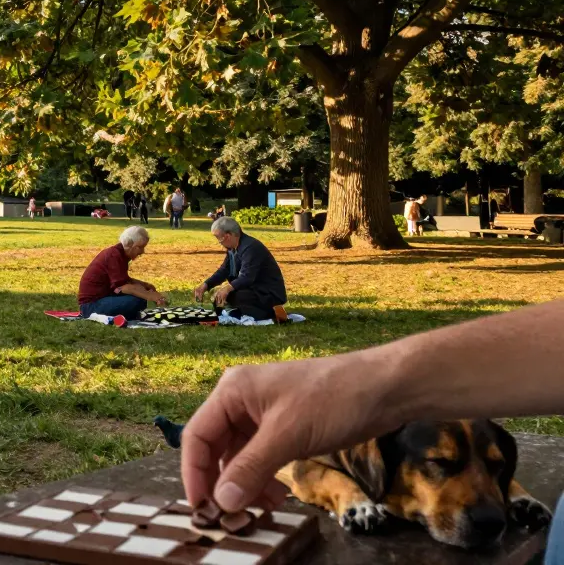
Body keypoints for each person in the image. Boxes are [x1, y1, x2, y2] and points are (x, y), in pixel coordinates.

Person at [179, 299, 564, 528]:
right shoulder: (365, 444)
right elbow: (303, 469)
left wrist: (510, 488)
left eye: (496, 469)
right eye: (441, 464)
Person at [193, 217, 287, 321]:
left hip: (267, 293)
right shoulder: (233, 248)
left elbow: (247, 277)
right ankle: (234, 312)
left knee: (234, 296)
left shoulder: (250, 247)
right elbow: (224, 270)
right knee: (217, 294)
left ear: (228, 236)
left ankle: (272, 312)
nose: (219, 243)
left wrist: (227, 289)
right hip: (252, 289)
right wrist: (206, 285)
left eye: (218, 238)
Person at [77, 226, 169, 320]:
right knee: (137, 301)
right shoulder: (114, 255)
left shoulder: (119, 254)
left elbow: (124, 281)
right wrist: (150, 296)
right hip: (90, 306)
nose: (142, 252)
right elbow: (123, 287)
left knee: (139, 297)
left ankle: (128, 314)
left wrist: (145, 286)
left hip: (101, 300)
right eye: (140, 247)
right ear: (129, 244)